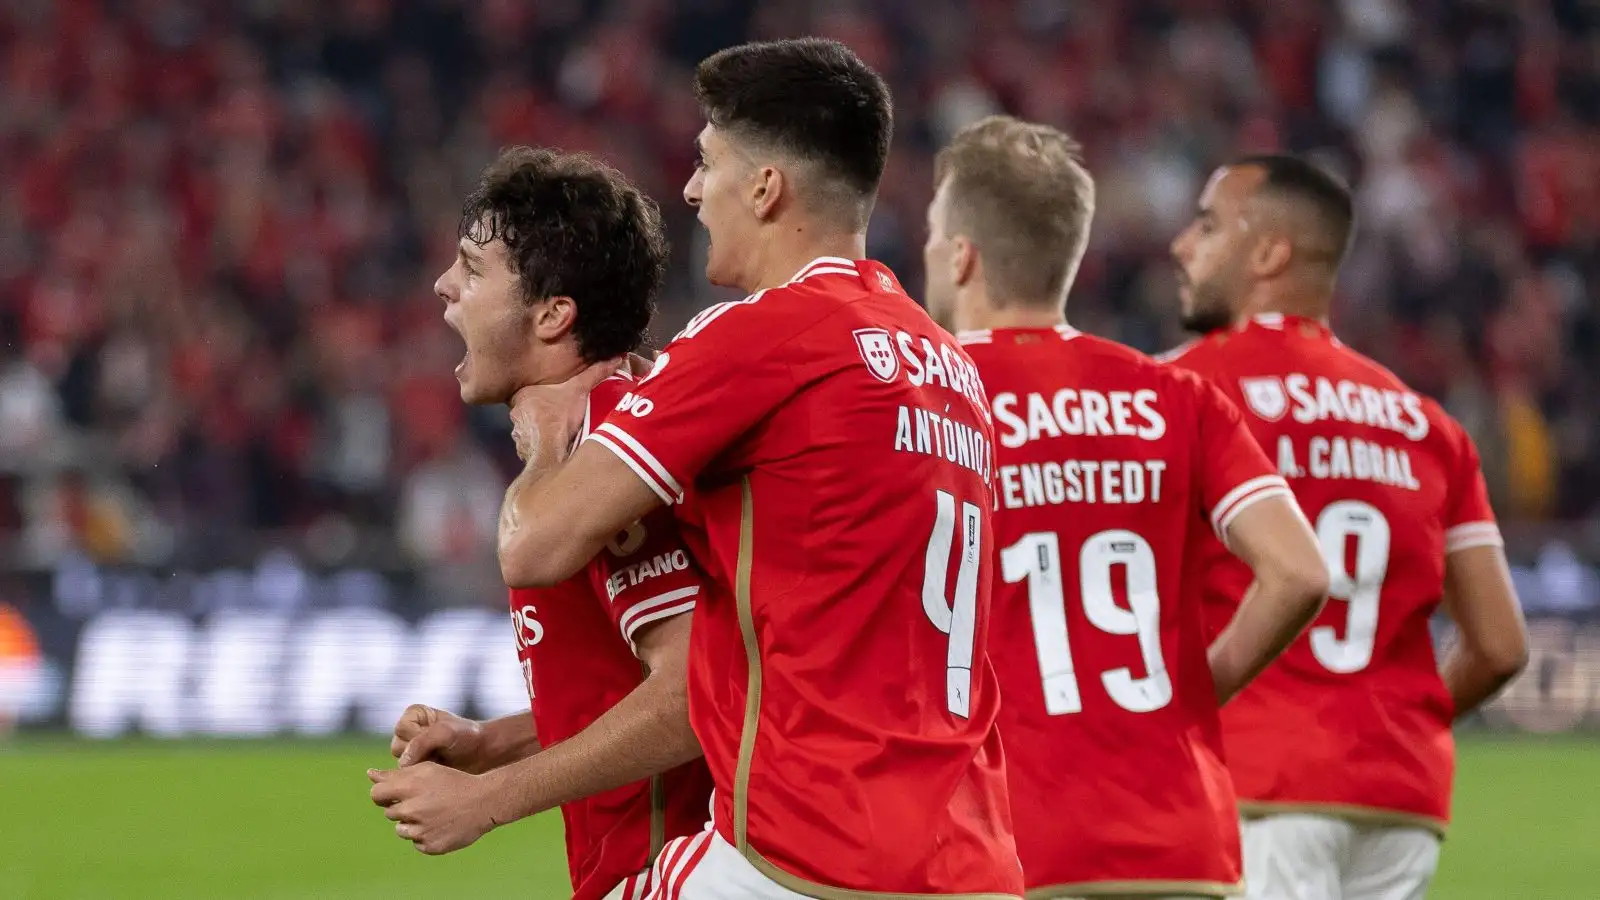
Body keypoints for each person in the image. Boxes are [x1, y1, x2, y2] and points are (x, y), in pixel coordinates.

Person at [489, 39, 1024, 900]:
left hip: (814, 852)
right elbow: (818, 645)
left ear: (766, 187)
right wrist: (512, 737)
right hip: (971, 851)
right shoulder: (943, 361)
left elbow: (537, 547)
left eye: (708, 164)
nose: (694, 190)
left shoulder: (763, 332)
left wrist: (550, 434)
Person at [925, 115, 1328, 900]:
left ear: (964, 256)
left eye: (939, 234)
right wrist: (1191, 695)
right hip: (1183, 843)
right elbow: (1299, 572)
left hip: (1006, 845)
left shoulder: (928, 402)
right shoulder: (1174, 396)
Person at [1165, 155, 1530, 900]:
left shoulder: (1180, 390)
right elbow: (1499, 644)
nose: (1182, 244)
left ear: (1269, 253)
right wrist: (1403, 716)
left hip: (1254, 785)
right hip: (1398, 804)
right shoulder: (1427, 426)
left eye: (1206, 225)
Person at [368, 147, 713, 900]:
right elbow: (631, 680)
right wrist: (492, 743)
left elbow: (695, 693)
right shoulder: (615, 419)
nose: (444, 287)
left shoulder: (612, 444)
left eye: (473, 268)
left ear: (554, 314)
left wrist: (491, 800)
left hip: (666, 876)